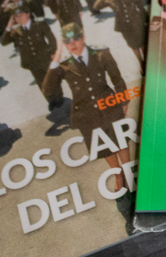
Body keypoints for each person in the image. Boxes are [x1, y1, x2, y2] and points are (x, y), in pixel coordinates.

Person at [43, 23, 134, 234]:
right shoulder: (64, 65)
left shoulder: (101, 53)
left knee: (123, 149)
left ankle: (132, 186)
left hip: (110, 108)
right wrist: (56, 57)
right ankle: (120, 180)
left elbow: (117, 78)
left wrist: (123, 101)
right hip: (88, 117)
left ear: (83, 36)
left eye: (75, 38)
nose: (72, 44)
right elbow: (48, 90)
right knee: (109, 156)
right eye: (67, 41)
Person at [0, 2, 62, 109]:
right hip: (32, 62)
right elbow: (3, 42)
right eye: (15, 16)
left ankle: (59, 97)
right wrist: (9, 25)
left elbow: (51, 38)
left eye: (20, 15)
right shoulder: (16, 31)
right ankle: (51, 100)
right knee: (40, 81)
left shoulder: (39, 24)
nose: (18, 18)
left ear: (27, 14)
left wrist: (53, 52)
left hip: (45, 57)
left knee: (52, 78)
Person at [93, 0, 147, 70]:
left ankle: (146, 61)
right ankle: (140, 62)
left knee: (142, 43)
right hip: (124, 27)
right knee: (133, 46)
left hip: (136, 23)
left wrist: (146, 21)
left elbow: (141, 8)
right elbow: (96, 7)